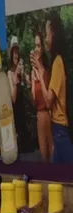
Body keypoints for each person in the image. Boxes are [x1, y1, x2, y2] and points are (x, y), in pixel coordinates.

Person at [37, 14, 71, 163]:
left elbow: (49, 100)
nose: (45, 39)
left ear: (53, 34)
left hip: (60, 129)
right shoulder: (60, 60)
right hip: (58, 128)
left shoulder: (58, 62)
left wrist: (39, 72)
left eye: (46, 34)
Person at [8, 37, 37, 159]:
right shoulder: (9, 73)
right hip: (15, 123)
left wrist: (27, 81)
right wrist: (15, 78)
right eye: (14, 52)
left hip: (25, 121)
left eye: (17, 52)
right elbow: (13, 99)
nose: (16, 55)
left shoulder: (20, 73)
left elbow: (31, 100)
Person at [32, 27, 53, 161]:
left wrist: (40, 73)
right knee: (43, 154)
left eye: (38, 45)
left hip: (49, 115)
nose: (36, 49)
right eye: (35, 45)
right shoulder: (33, 72)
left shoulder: (47, 71)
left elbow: (49, 101)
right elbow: (34, 101)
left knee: (52, 152)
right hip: (40, 116)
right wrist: (33, 83)